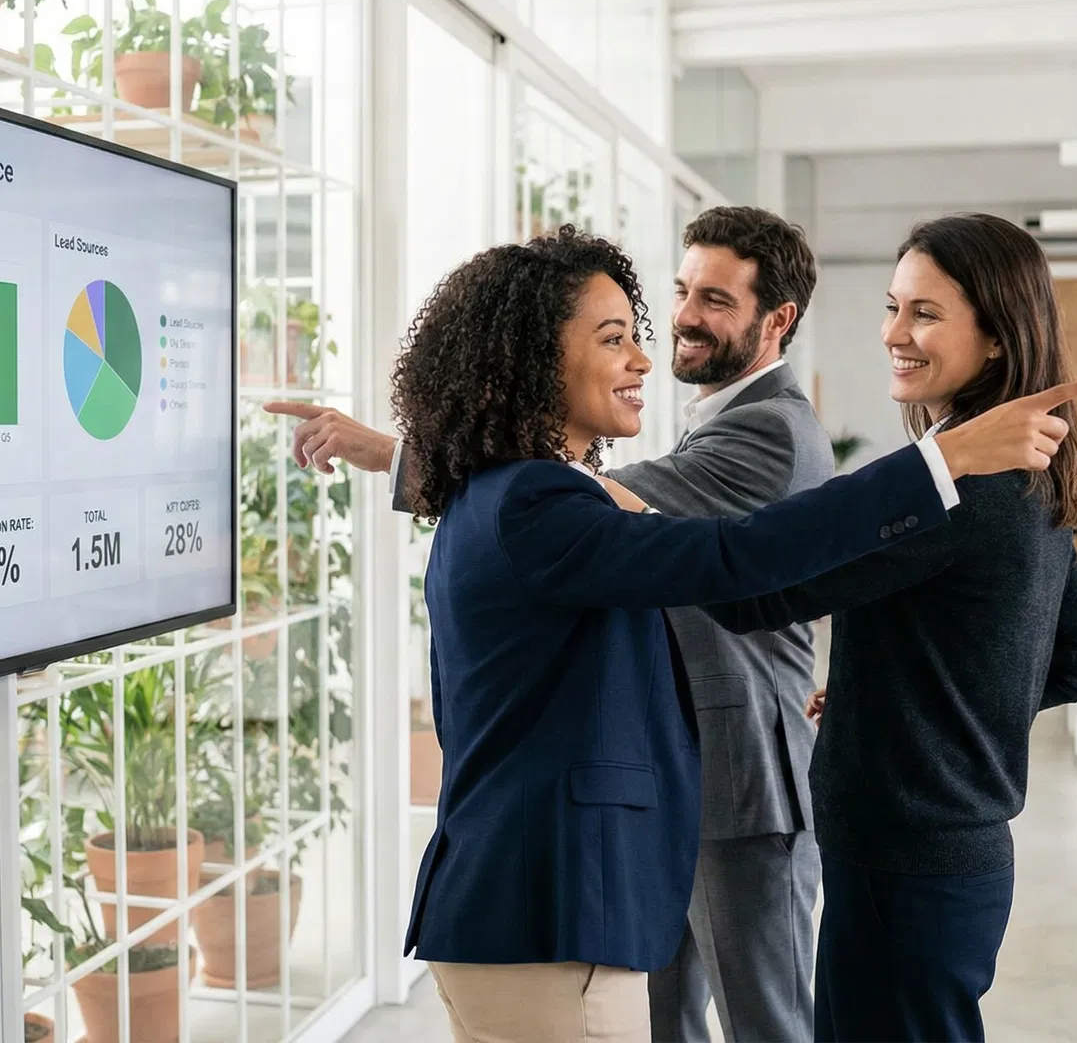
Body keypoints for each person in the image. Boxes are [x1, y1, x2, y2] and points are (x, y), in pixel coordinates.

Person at [380, 225, 1077, 1043]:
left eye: (922, 312)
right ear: (534, 359)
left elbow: (749, 578)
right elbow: (730, 559)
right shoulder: (538, 505)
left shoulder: (520, 497)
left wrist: (920, 707)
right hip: (547, 902)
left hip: (623, 878)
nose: (647, 356)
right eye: (617, 338)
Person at [271, 206, 840, 1043]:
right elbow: (563, 501)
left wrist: (400, 452)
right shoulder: (688, 423)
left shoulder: (770, 428)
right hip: (649, 789)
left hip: (739, 780)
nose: (682, 317)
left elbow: (598, 507)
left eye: (715, 299)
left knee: (767, 1021)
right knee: (661, 1019)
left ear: (776, 319)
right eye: (681, 290)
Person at [698, 213, 1077, 1043]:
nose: (894, 333)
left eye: (924, 313)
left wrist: (620, 514)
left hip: (903, 861)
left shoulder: (952, 488)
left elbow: (750, 593)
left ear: (996, 338)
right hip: (952, 859)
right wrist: (897, 700)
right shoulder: (1026, 473)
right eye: (892, 307)